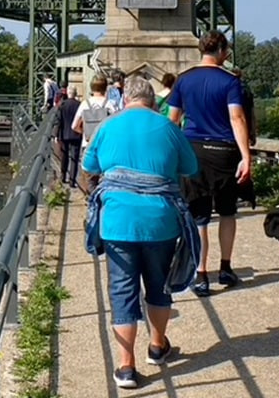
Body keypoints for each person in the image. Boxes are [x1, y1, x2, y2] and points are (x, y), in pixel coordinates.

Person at [82, 76, 198, 390]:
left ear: (126, 99)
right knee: (158, 285)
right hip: (161, 220)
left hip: (118, 221)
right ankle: (158, 347)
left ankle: (125, 367)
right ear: (151, 100)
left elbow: (89, 164)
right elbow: (191, 168)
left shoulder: (108, 125)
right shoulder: (169, 128)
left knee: (122, 292)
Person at [167, 30, 252, 296]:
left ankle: (201, 274)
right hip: (224, 150)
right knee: (227, 212)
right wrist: (246, 156)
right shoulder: (230, 81)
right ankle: (226, 268)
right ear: (221, 51)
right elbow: (237, 118)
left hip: (193, 151)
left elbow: (173, 120)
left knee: (200, 216)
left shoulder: (183, 80)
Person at [73, 74, 114, 193]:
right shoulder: (110, 104)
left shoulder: (85, 104)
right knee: (105, 178)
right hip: (106, 146)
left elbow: (74, 126)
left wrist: (85, 132)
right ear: (105, 87)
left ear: (91, 87)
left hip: (88, 145)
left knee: (90, 180)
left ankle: (91, 201)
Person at [57, 86, 83, 186]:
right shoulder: (79, 105)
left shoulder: (62, 105)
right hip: (76, 134)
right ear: (75, 94)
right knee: (74, 158)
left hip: (64, 134)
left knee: (64, 156)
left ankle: (63, 176)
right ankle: (72, 181)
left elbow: (59, 121)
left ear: (68, 93)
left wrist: (56, 134)